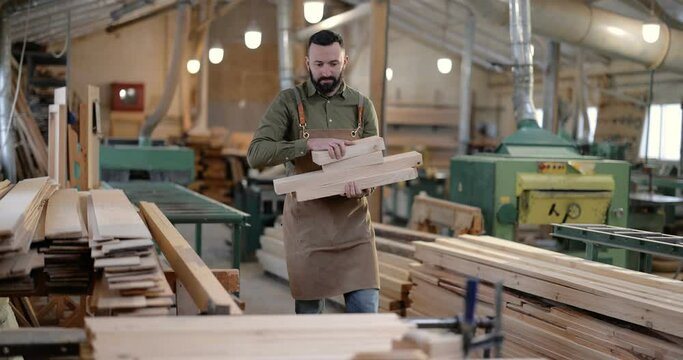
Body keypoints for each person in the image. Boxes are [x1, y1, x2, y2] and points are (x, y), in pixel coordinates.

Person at [247, 30, 380, 314]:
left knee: (366, 317)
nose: (326, 72)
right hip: (309, 229)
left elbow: (375, 167)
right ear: (307, 63)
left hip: (353, 228)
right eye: (319, 65)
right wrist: (306, 145)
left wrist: (365, 186)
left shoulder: (362, 107)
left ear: (345, 62)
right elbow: (256, 154)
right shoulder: (288, 102)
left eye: (333, 64)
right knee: (310, 321)